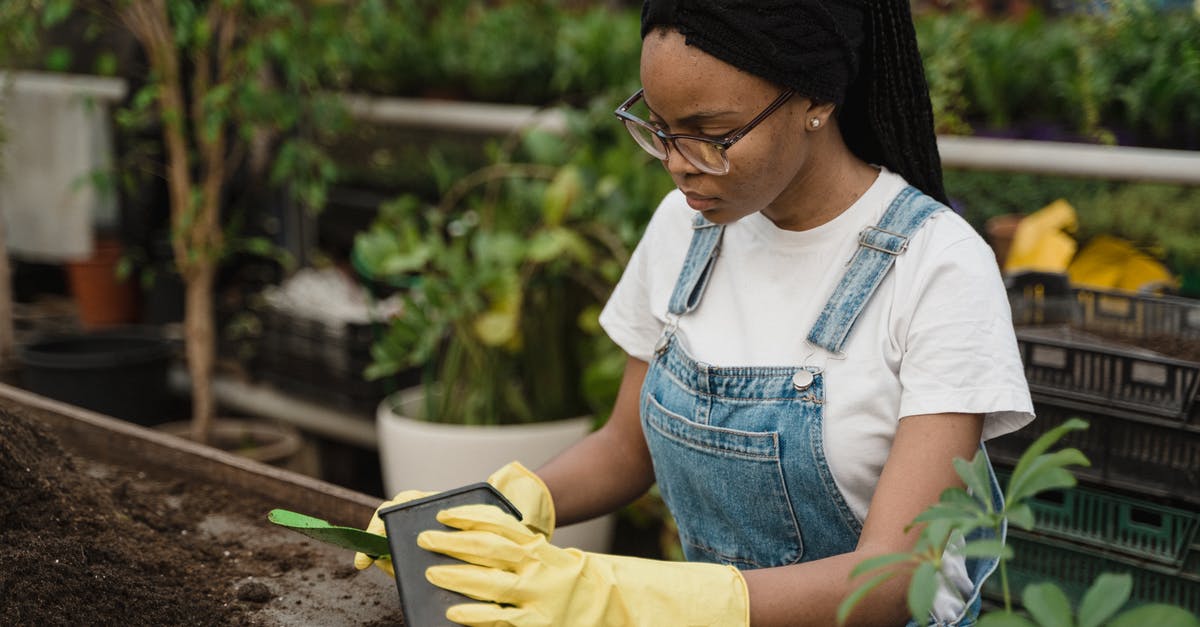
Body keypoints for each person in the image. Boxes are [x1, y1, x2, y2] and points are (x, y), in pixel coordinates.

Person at [356, 0, 1034, 624]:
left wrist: (619, 597)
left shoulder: (936, 266)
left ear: (816, 100)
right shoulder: (686, 229)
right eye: (659, 129)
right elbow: (627, 447)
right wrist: (489, 508)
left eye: (711, 133)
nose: (677, 166)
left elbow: (893, 576)